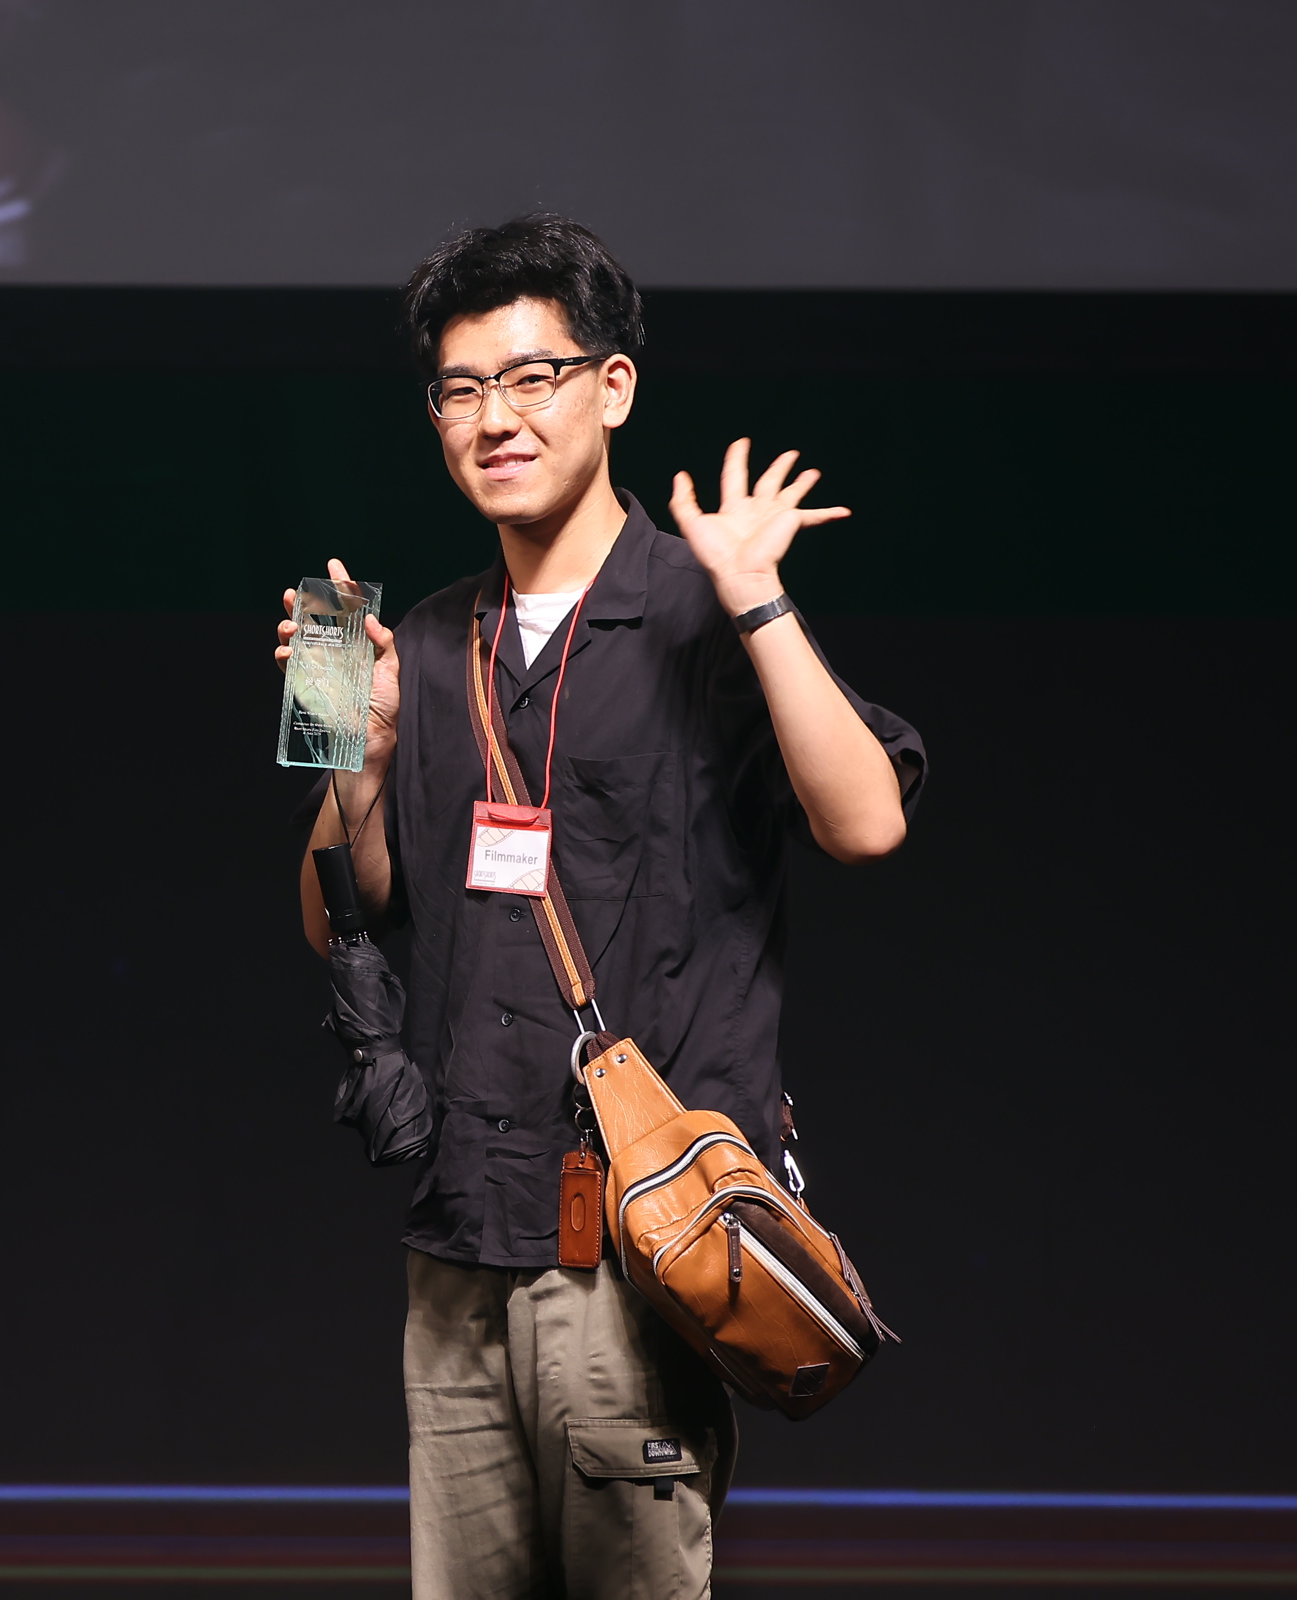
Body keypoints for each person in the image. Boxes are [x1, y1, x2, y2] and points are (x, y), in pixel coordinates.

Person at [278, 216, 923, 1597]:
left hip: (637, 1240)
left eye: (532, 378)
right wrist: (360, 754)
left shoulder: (702, 611)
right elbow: (339, 922)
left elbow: (867, 820)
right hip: (460, 1237)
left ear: (613, 387)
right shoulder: (429, 642)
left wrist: (758, 601)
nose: (494, 418)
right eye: (461, 389)